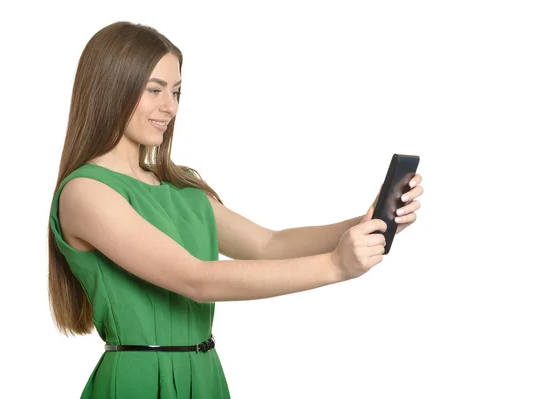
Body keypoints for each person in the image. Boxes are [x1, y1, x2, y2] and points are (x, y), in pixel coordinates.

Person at [47, 21, 424, 399]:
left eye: (176, 91)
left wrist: (369, 222)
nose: (170, 106)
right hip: (138, 383)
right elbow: (194, 279)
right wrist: (335, 266)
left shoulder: (181, 186)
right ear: (112, 88)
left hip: (206, 375)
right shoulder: (85, 193)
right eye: (154, 90)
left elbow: (268, 244)